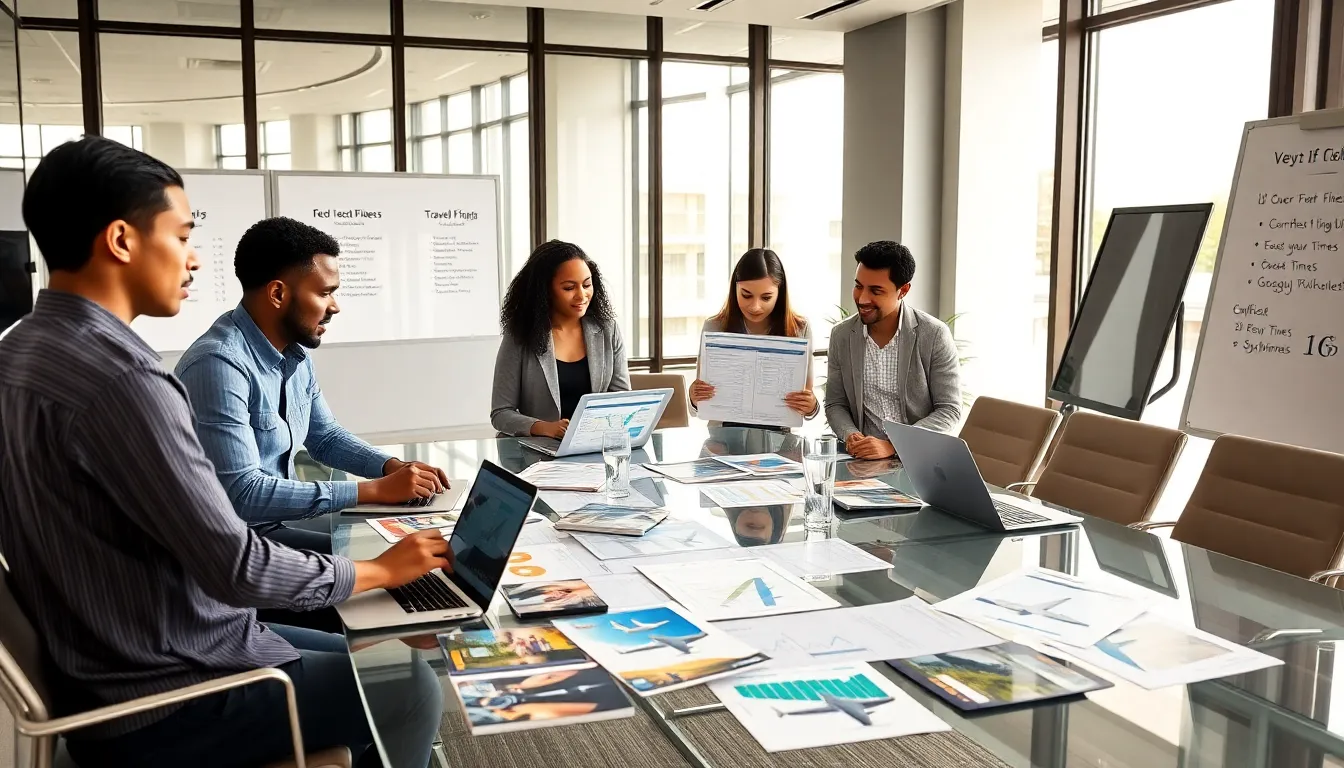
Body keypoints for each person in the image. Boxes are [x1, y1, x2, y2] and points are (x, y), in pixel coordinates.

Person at [0, 136, 445, 767]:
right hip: (166, 690)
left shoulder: (18, 351)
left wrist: (382, 492)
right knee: (409, 686)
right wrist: (379, 571)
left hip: (123, 654)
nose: (194, 260)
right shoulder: (125, 379)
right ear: (122, 241)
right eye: (182, 236)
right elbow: (237, 564)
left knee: (376, 648)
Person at [176, 216, 450, 555]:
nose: (335, 306)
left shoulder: (295, 353)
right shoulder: (218, 364)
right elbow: (243, 494)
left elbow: (325, 437)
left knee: (419, 539)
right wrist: (374, 490)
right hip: (235, 544)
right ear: (278, 293)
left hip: (278, 523)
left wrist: (391, 467)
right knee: (389, 557)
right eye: (324, 293)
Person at [825, 240, 962, 460]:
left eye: (876, 290)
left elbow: (949, 409)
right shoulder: (841, 335)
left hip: (919, 459)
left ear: (903, 290)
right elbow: (835, 403)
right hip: (862, 460)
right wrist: (851, 435)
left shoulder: (934, 334)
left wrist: (894, 446)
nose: (862, 298)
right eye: (858, 286)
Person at [491, 240, 630, 437]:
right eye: (569, 288)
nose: (582, 295)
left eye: (587, 285)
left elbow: (622, 398)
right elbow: (501, 413)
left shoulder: (608, 330)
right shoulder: (520, 334)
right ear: (545, 290)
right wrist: (544, 427)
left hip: (594, 445)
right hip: (538, 449)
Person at [689, 248, 819, 429]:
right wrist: (694, 397)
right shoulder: (714, 327)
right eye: (746, 295)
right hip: (722, 437)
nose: (755, 306)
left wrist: (811, 406)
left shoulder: (799, 329)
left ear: (779, 293)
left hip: (779, 438)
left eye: (766, 298)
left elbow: (808, 405)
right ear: (735, 289)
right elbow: (697, 409)